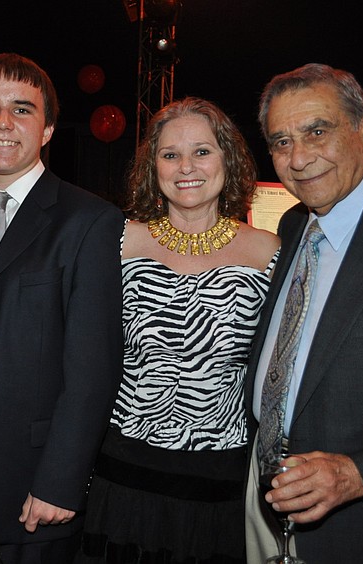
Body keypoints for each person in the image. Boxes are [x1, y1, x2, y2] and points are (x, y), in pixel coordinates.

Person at [0, 52, 124, 564]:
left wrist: (61, 481)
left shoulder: (89, 222)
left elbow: (93, 370)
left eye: (22, 109)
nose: (3, 122)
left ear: (48, 129)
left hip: (36, 492)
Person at [244, 63, 363, 563]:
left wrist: (357, 475)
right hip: (264, 513)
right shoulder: (292, 226)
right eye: (281, 142)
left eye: (317, 132)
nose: (299, 158)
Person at [77, 97, 280, 564]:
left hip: (220, 476)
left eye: (202, 151)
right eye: (170, 155)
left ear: (228, 158)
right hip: (123, 468)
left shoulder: (269, 251)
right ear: (153, 168)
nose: (186, 167)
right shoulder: (117, 241)